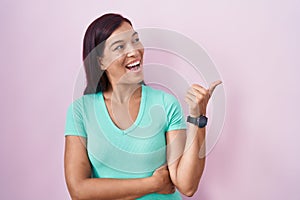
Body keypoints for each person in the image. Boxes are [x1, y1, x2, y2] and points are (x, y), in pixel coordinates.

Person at [64, 13, 221, 200]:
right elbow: (79, 191)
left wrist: (198, 118)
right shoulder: (81, 111)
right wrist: (153, 183)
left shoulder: (165, 104)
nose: (134, 51)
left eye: (135, 40)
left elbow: (187, 186)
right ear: (101, 61)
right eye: (120, 47)